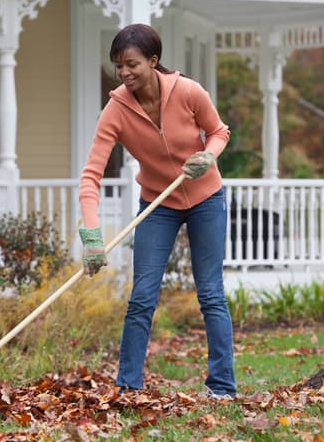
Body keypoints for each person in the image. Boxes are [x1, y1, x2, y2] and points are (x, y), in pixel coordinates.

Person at [78, 24, 236, 400]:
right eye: (118, 65)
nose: (124, 73)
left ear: (153, 61)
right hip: (158, 203)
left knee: (211, 293)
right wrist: (91, 236)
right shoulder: (115, 109)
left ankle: (222, 387)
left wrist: (207, 155)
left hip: (205, 198)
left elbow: (219, 132)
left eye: (131, 63)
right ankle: (128, 386)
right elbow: (90, 176)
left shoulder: (188, 92)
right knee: (142, 297)